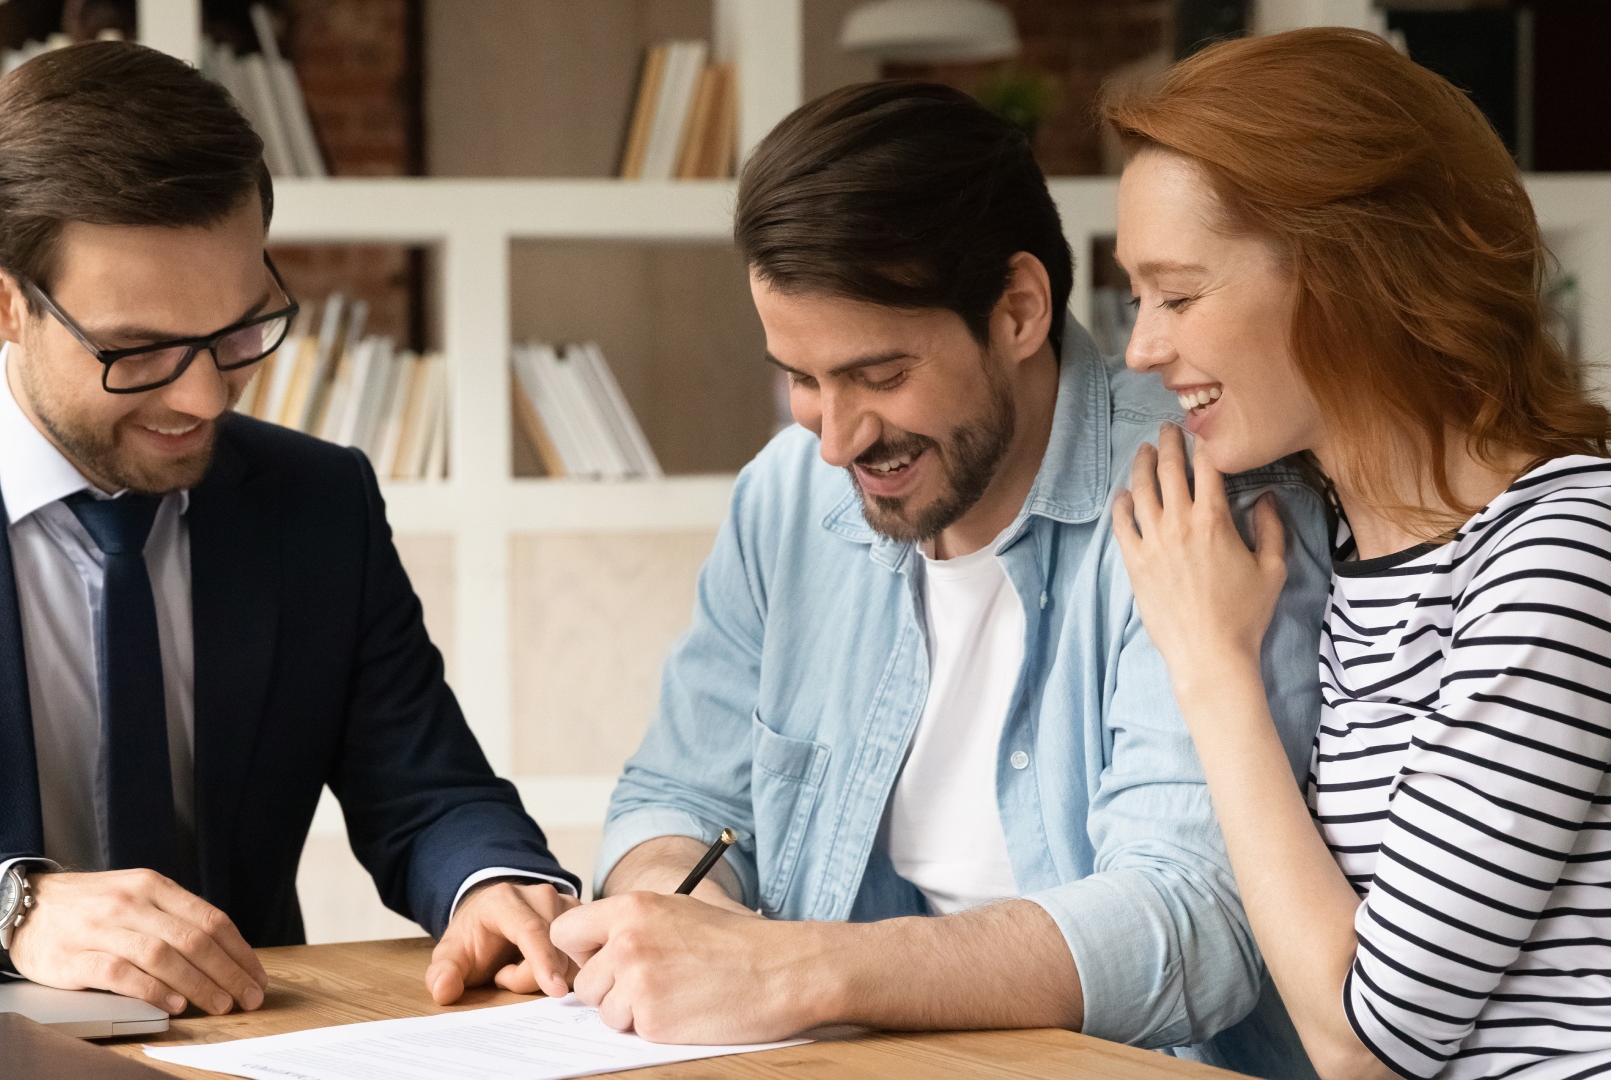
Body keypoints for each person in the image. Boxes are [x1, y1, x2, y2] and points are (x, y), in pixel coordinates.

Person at [0, 42, 579, 1012]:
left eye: (239, 331)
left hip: (246, 1050)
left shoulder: (320, 503)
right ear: (0, 298)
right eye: (139, 350)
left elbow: (430, 790)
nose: (203, 396)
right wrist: (4, 910)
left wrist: (493, 885)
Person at [548, 80, 1333, 1076]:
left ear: (1017, 309)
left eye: (879, 376)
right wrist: (693, 925)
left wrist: (795, 971)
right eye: (800, 377)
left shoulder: (1200, 498)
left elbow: (1190, 919)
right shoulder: (787, 496)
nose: (835, 439)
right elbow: (676, 794)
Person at [1104, 29, 1611, 1080]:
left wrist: (1211, 667)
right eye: (1136, 297)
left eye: (1180, 294)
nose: (1142, 349)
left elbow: (1367, 1043)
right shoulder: (1343, 548)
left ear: (1348, 274)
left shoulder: (1561, 552)